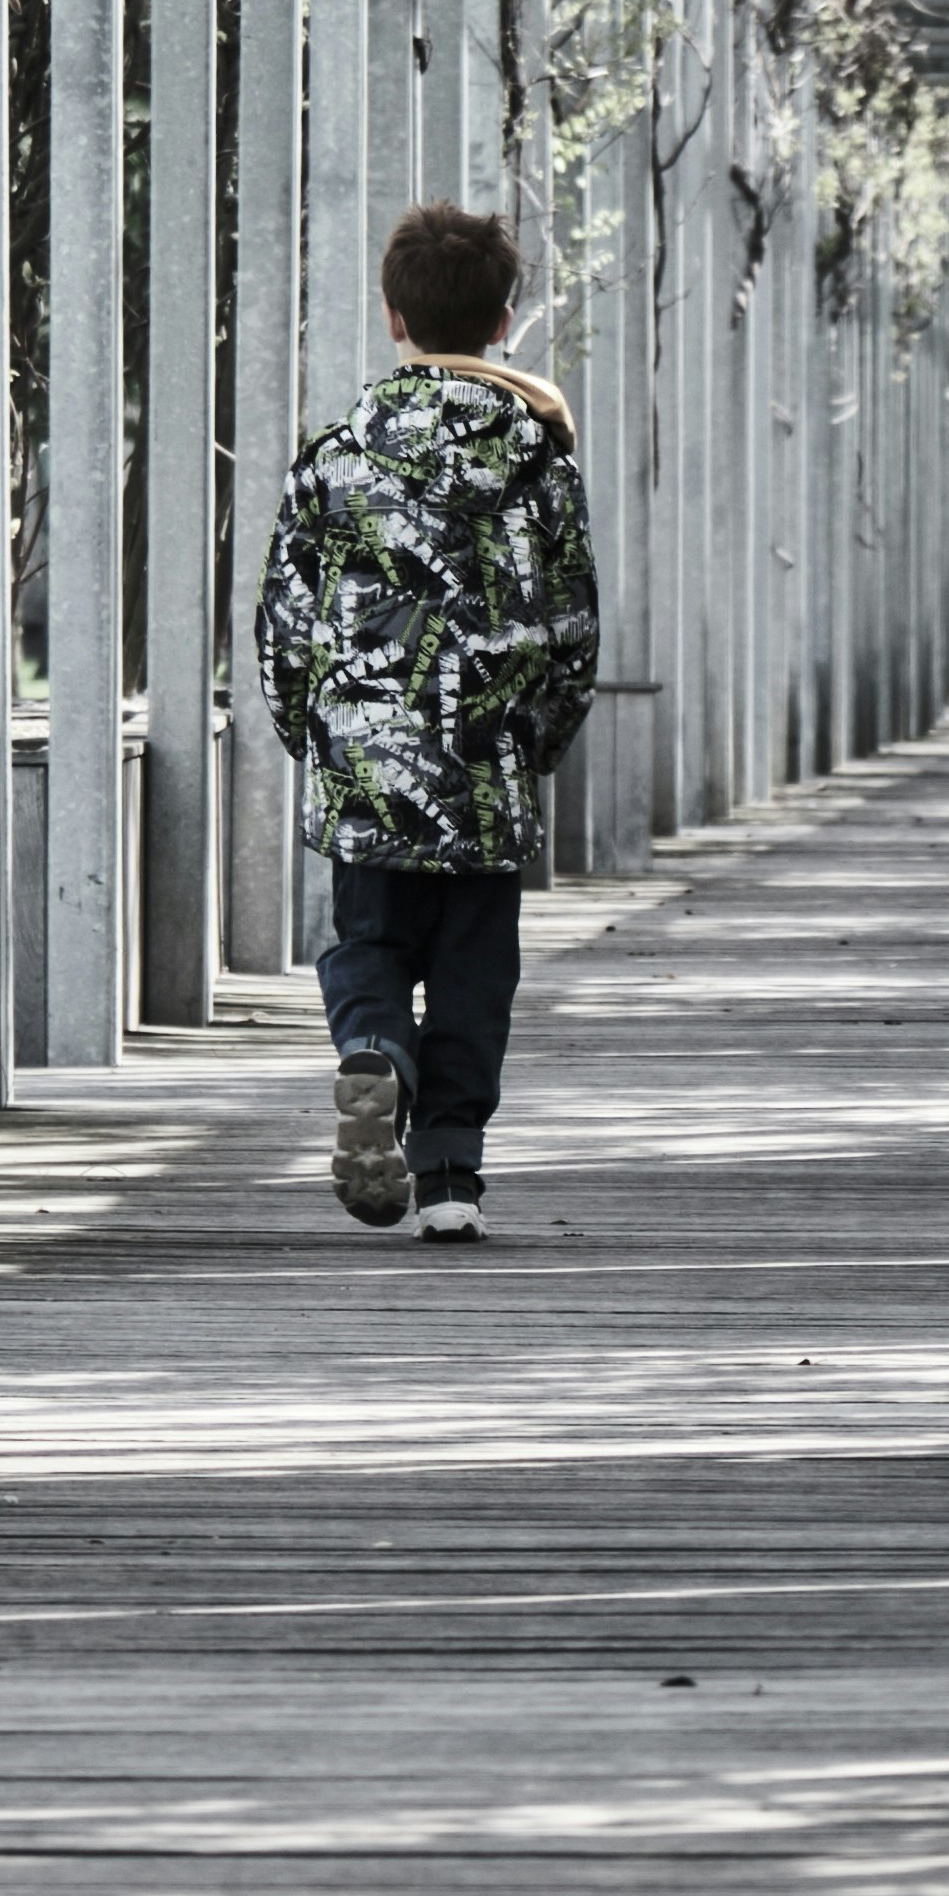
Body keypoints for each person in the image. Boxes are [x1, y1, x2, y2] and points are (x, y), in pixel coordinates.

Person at [256, 194, 601, 1240]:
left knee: (365, 943)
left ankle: (372, 1052)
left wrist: (314, 736)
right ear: (503, 323)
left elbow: (285, 619)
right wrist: (539, 740)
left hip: (365, 758)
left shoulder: (333, 454)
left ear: (391, 318)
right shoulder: (538, 457)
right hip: (486, 764)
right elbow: (570, 618)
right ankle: (449, 1174)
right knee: (472, 973)